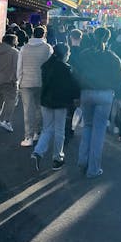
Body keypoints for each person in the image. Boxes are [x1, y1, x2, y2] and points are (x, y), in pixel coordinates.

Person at [75, 27, 121, 178]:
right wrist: (120, 96)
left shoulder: (84, 55)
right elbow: (119, 79)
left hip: (86, 93)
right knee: (99, 131)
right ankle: (93, 169)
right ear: (108, 39)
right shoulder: (113, 57)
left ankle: (82, 160)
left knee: (88, 127)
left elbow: (76, 74)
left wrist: (77, 94)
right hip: (105, 95)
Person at [31, 43, 80, 171]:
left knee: (47, 129)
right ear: (65, 54)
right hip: (60, 103)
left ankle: (38, 151)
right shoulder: (66, 68)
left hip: (46, 100)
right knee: (59, 131)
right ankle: (57, 158)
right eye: (68, 53)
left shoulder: (46, 66)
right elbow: (72, 86)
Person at [17, 25, 53, 147]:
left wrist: (19, 81)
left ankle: (28, 137)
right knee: (39, 108)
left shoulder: (24, 48)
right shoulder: (48, 48)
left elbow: (19, 67)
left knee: (27, 110)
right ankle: (37, 132)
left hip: (26, 82)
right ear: (44, 34)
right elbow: (50, 67)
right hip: (41, 82)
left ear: (33, 34)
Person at [0, 33, 20, 132]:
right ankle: (6, 120)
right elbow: (16, 67)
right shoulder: (14, 52)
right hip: (8, 80)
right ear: (13, 42)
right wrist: (15, 79)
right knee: (10, 100)